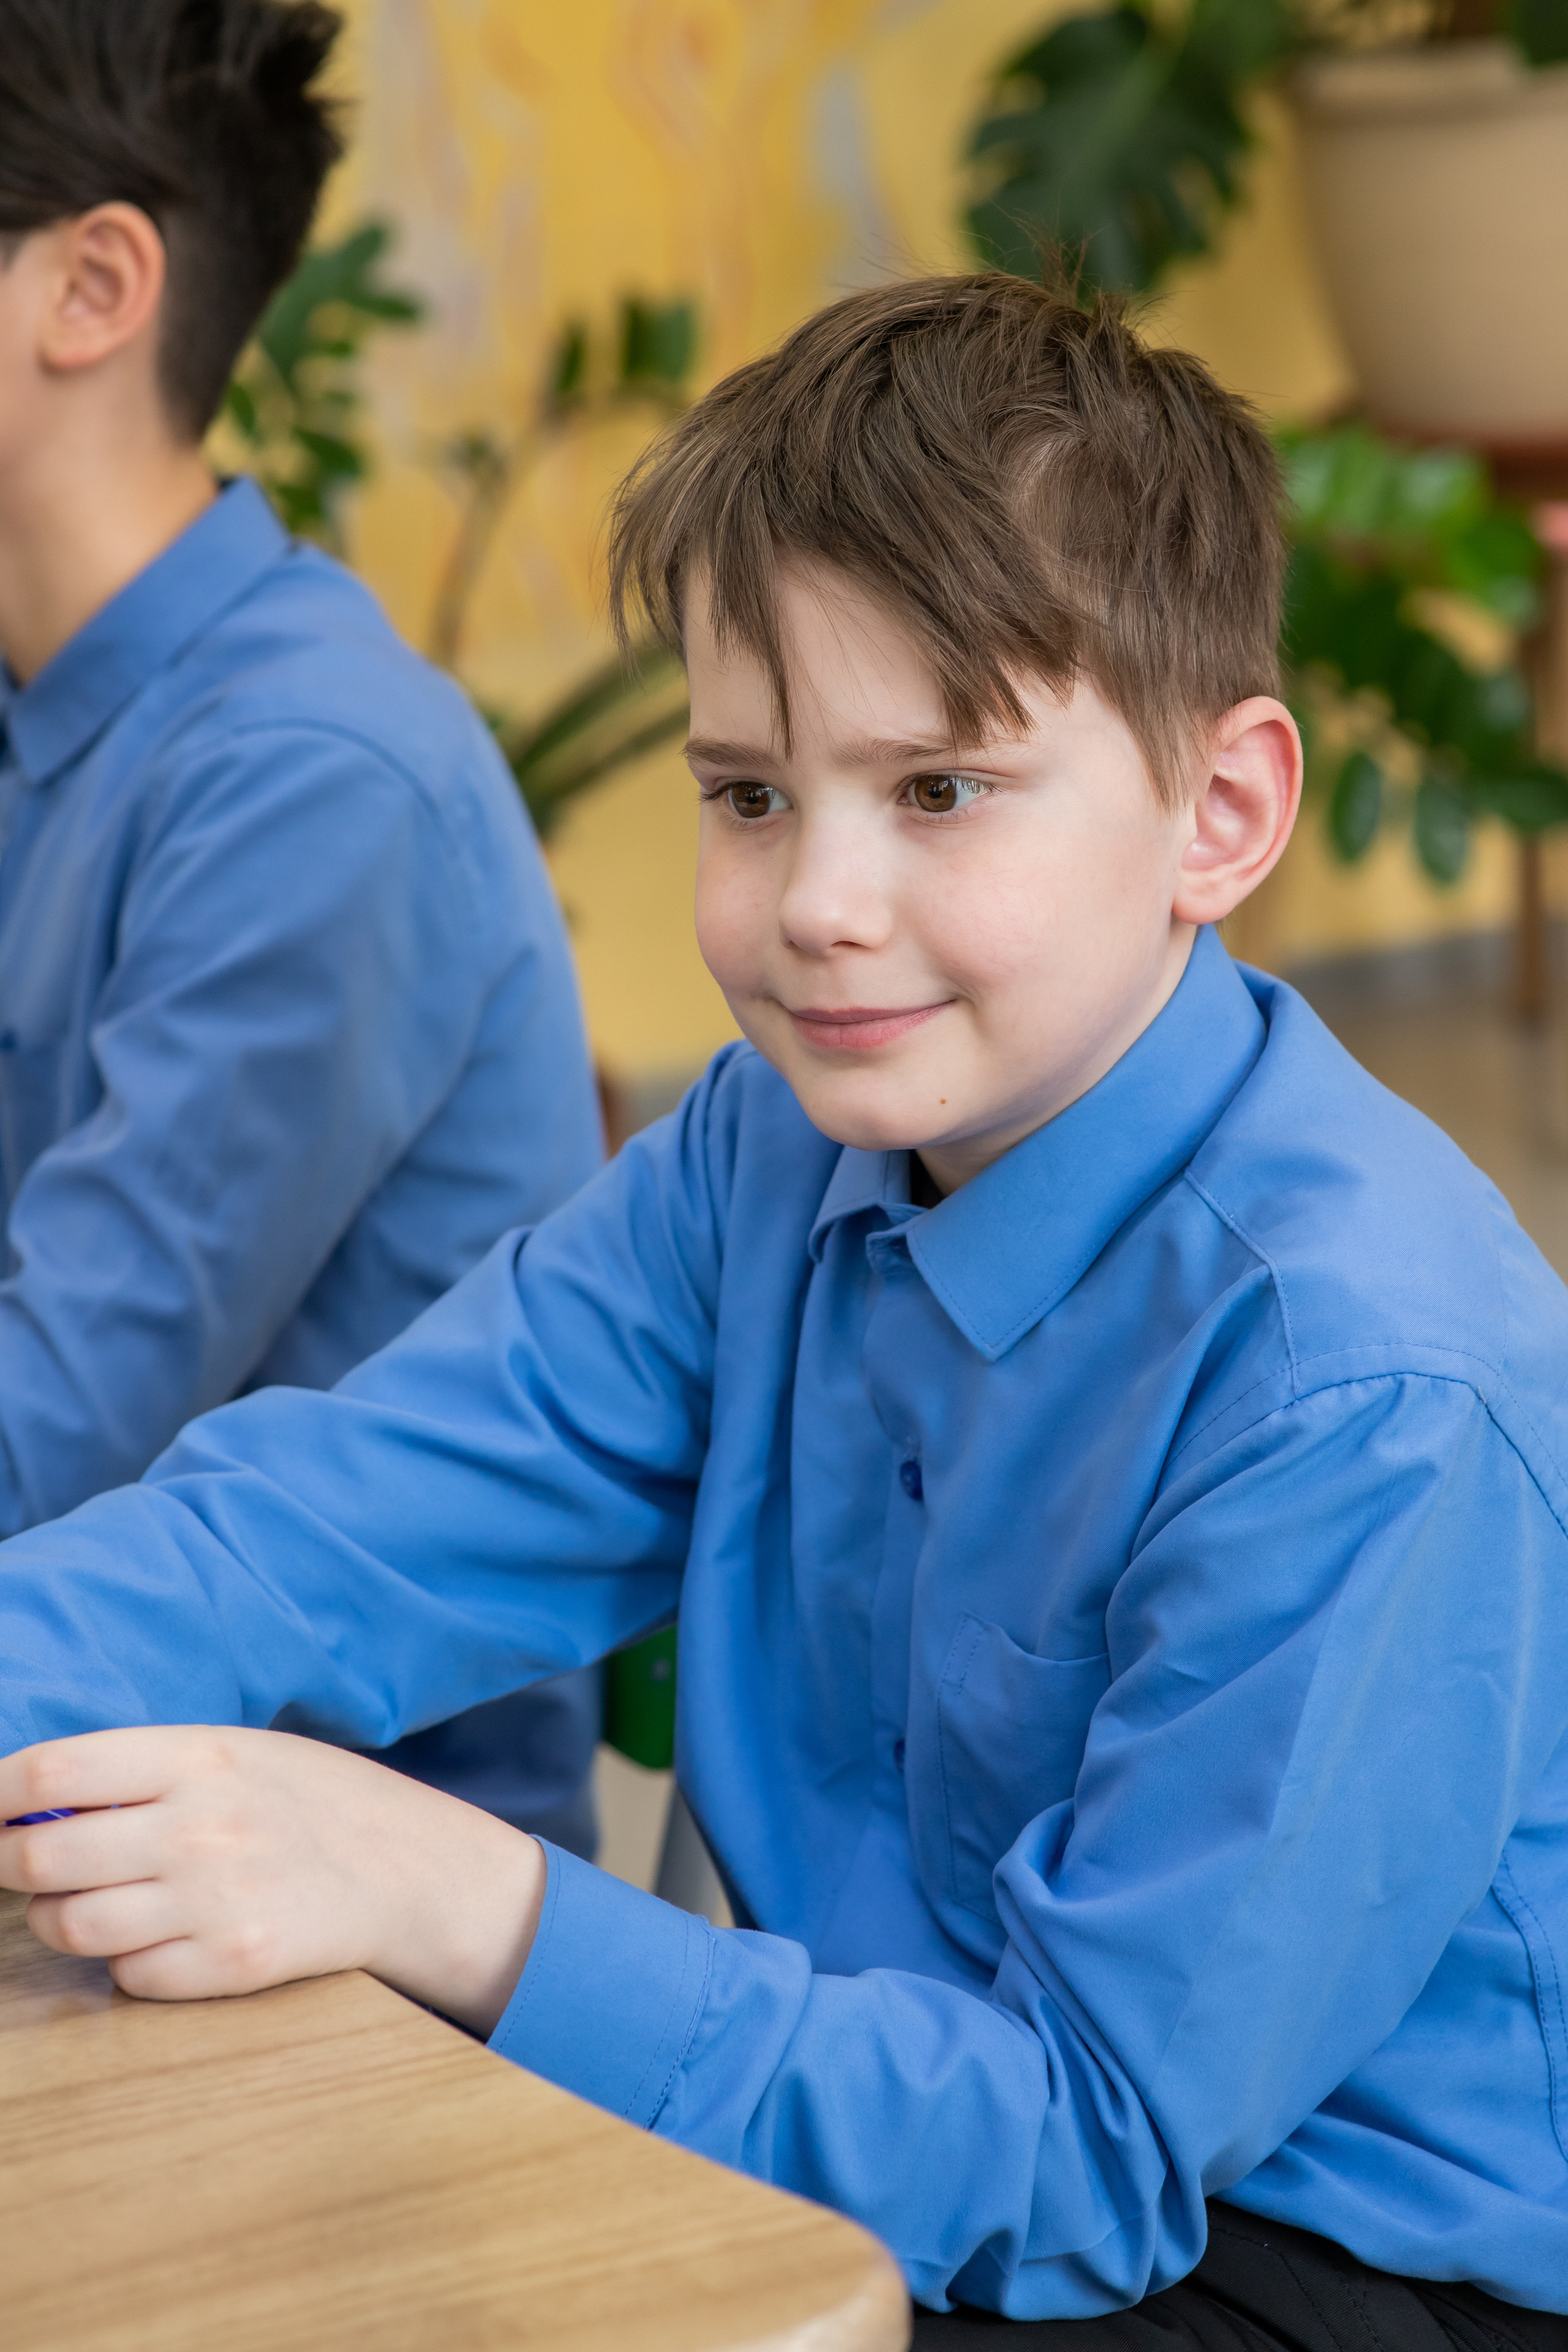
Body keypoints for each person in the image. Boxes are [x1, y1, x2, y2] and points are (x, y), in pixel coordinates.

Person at [1, 272, 1566, 2349]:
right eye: (748, 794)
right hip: (875, 2130)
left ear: (1222, 815)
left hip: (1296, 2255)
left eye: (939, 791)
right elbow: (305, 1536)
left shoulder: (1364, 1385)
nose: (817, 905)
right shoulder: (763, 1153)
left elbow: (1091, 2158)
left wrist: (448, 1889)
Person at [0, 0, 604, 1852]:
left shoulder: (314, 775)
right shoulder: (52, 715)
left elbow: (49, 1442)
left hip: (316, 1882)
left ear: (93, 287)